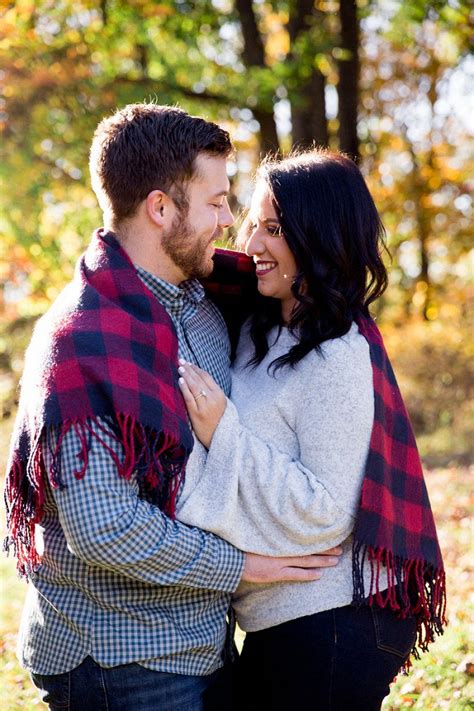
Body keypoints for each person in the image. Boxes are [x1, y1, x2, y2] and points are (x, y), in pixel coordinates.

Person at [3, 105, 341, 711]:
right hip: (121, 659)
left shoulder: (205, 305)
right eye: (215, 202)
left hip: (205, 641)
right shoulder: (81, 343)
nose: (228, 219)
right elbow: (103, 528)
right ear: (161, 209)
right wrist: (245, 566)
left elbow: (306, 284)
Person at [176, 149, 447, 710]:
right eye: (253, 224)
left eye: (274, 229)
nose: (251, 246)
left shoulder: (337, 354)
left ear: (317, 236)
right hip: (283, 619)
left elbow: (326, 511)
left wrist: (223, 432)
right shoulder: (263, 331)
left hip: (335, 620)